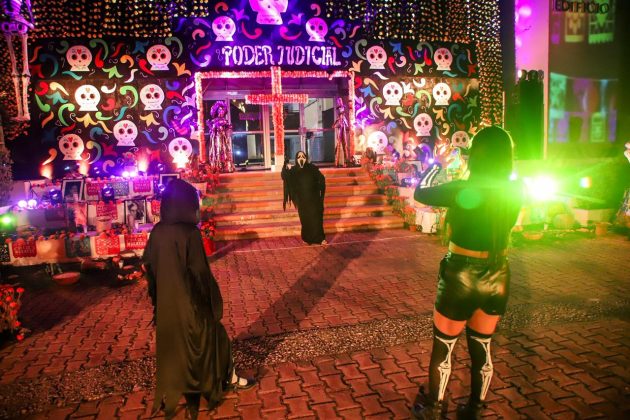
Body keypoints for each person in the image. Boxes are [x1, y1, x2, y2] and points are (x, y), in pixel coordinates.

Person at [410, 126, 523, 419]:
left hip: (460, 273)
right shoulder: (515, 191)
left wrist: (437, 164)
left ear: (477, 155)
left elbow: (421, 191)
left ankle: (434, 409)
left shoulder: (462, 189)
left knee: (444, 347)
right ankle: (474, 409)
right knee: (482, 347)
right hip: (498, 273)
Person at [142, 179, 255, 420]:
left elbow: (149, 266)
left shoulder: (157, 231)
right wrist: (213, 303)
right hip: (191, 306)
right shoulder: (190, 233)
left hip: (167, 307)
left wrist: (159, 298)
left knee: (176, 347)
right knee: (216, 338)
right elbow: (200, 273)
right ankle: (228, 378)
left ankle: (179, 387)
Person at [282, 151, 327, 245]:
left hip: (314, 199)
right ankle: (307, 238)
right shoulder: (294, 170)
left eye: (303, 156)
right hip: (302, 201)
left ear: (306, 158)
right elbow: (285, 176)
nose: (301, 158)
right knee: (305, 220)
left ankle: (320, 239)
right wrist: (285, 167)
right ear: (296, 159)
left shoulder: (312, 168)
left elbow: (321, 178)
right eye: (299, 157)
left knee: (316, 219)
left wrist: (318, 187)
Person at [207, 100, 235, 173]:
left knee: (224, 150)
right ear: (217, 111)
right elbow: (212, 130)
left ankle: (225, 166)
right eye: (220, 110)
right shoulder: (214, 121)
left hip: (224, 138)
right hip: (216, 137)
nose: (222, 112)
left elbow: (228, 129)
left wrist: (229, 128)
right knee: (218, 150)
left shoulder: (225, 120)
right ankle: (217, 166)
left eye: (223, 110)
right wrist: (210, 125)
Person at [333, 97, 350, 167]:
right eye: (339, 101)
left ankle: (346, 161)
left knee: (345, 145)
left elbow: (347, 125)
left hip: (343, 130)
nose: (341, 109)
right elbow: (334, 126)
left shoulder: (344, 119)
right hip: (340, 130)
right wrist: (337, 124)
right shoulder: (338, 118)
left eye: (340, 100)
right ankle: (338, 162)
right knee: (339, 145)